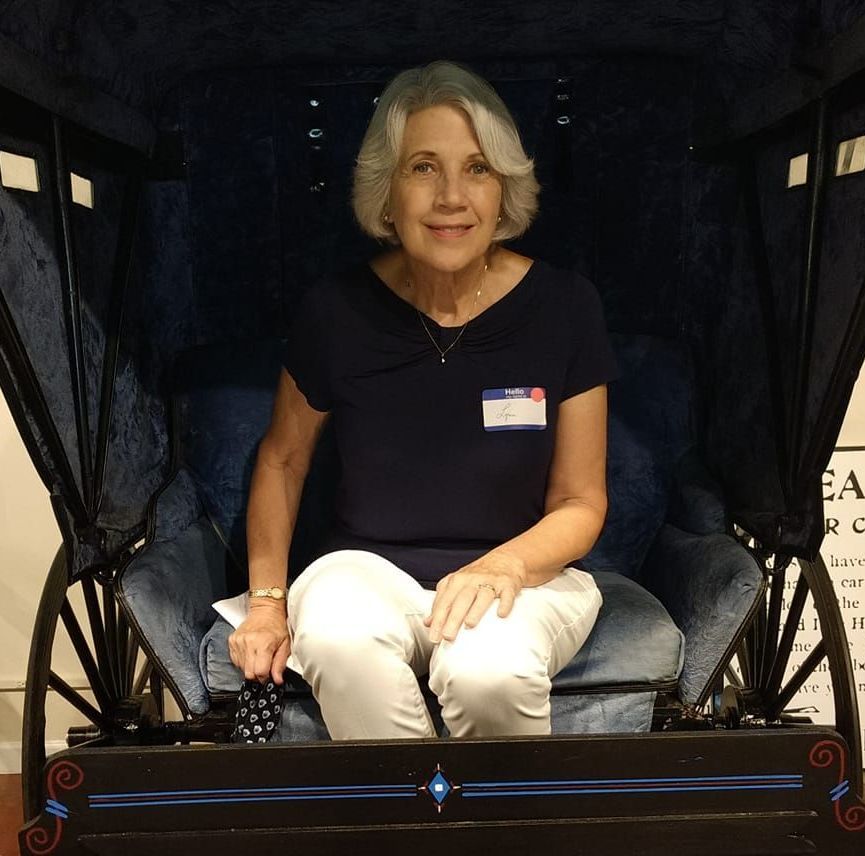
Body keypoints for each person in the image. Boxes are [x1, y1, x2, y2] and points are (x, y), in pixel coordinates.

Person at [228, 60, 618, 740]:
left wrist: (504, 565)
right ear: (386, 192)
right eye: (422, 168)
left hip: (523, 574)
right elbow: (283, 461)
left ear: (503, 191)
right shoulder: (334, 311)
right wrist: (266, 602)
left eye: (476, 169)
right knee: (340, 642)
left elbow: (580, 502)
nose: (450, 197)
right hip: (364, 570)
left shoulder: (565, 306)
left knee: (487, 673)